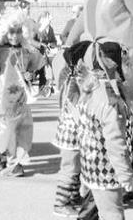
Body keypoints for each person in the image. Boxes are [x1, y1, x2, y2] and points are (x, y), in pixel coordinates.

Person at [0, 9, 45, 177]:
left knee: (20, 129)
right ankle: (1, 157)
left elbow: (36, 67)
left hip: (19, 99)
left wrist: (31, 74)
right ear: (4, 31)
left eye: (18, 31)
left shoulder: (28, 51)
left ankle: (15, 161)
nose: (14, 36)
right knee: (0, 128)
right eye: (11, 32)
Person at [75, 41, 133, 220]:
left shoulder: (88, 88)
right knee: (113, 214)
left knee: (93, 213)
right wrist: (126, 175)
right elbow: (115, 142)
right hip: (107, 169)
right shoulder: (109, 99)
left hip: (89, 165)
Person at [52, 41, 88, 217]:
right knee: (70, 169)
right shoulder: (75, 81)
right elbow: (76, 108)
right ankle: (61, 203)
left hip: (70, 134)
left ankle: (73, 197)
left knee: (76, 168)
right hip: (72, 135)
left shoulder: (68, 76)